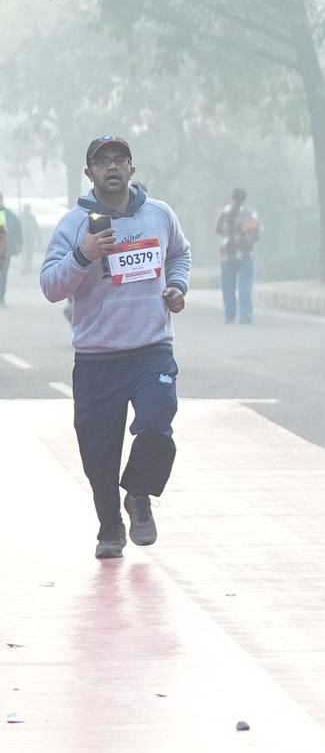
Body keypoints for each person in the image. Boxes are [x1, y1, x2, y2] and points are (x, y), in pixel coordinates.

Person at [40, 134, 191, 559]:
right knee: (99, 455)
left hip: (151, 349)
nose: (112, 166)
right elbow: (50, 286)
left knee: (157, 424)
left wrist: (177, 286)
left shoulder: (159, 215)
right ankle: (110, 527)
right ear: (89, 173)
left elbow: (179, 254)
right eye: (102, 161)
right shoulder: (74, 225)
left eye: (119, 160)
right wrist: (83, 255)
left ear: (131, 169)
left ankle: (139, 493)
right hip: (97, 358)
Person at [216, 186, 261, 324]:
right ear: (245, 198)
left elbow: (218, 229)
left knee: (228, 286)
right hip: (246, 254)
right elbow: (256, 234)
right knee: (245, 285)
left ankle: (229, 315)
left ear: (232, 197)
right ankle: (245, 315)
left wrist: (228, 236)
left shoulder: (225, 212)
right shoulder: (250, 214)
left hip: (227, 254)